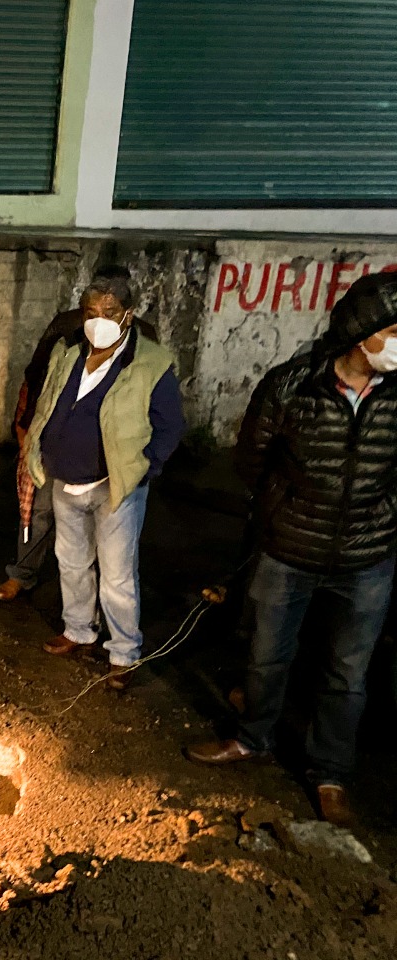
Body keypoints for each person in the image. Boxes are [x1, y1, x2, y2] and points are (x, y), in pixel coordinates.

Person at [186, 273, 397, 826]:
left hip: (366, 558)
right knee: (266, 654)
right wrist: (280, 515)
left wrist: (382, 518)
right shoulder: (293, 386)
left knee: (348, 674)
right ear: (362, 333)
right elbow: (253, 458)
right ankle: (252, 739)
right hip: (289, 550)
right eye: (395, 332)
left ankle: (330, 774)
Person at [24, 271, 184, 690]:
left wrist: (143, 469)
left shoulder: (151, 363)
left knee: (117, 575)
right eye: (91, 312)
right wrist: (37, 452)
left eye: (109, 312)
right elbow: (48, 402)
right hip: (65, 480)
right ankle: (79, 629)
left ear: (128, 314)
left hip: (116, 487)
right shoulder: (70, 352)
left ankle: (124, 651)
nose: (99, 320)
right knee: (72, 562)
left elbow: (169, 427)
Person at [0, 266, 158, 603]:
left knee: (105, 528)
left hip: (109, 450)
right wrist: (26, 429)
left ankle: (94, 605)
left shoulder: (144, 337)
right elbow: (37, 375)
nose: (103, 313)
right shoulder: (68, 326)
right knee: (39, 512)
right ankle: (23, 574)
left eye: (113, 303)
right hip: (58, 441)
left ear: (127, 307)